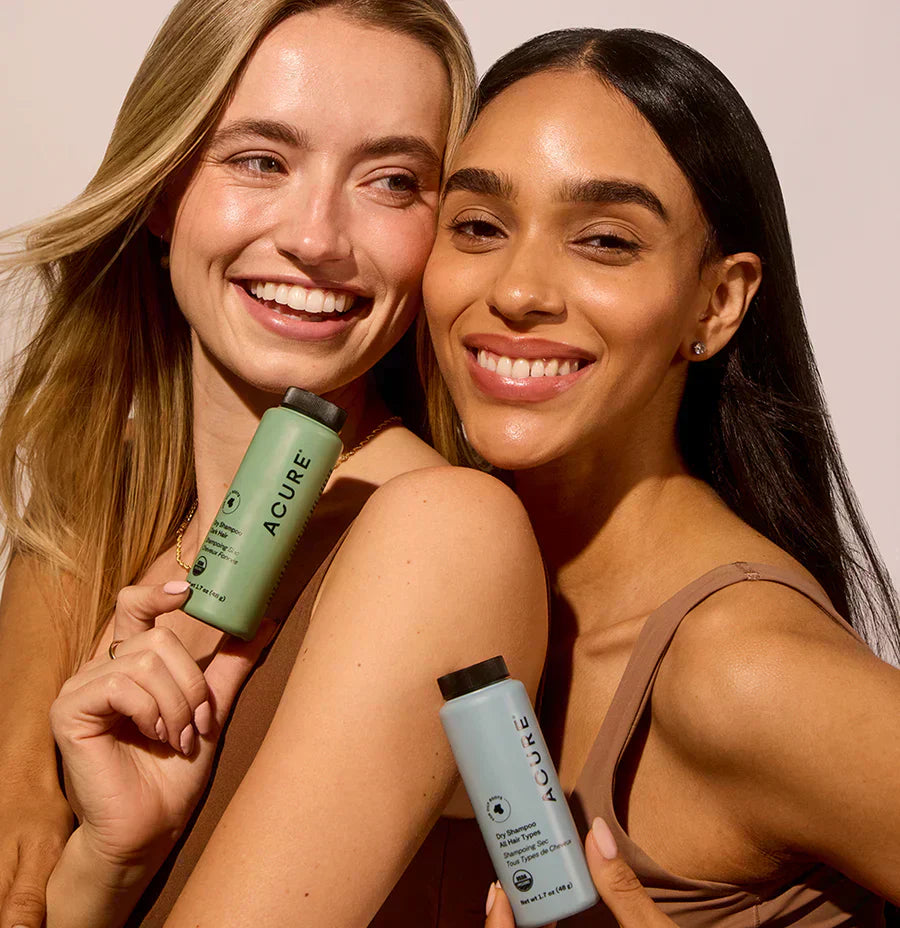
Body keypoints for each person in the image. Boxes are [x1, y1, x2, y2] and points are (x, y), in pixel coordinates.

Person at [0, 2, 548, 926]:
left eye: (393, 181)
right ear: (164, 191)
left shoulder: (445, 535)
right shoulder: (99, 494)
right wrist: (106, 871)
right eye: (261, 161)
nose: (318, 238)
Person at [417, 27, 900, 925]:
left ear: (716, 303)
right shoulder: (411, 591)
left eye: (605, 240)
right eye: (478, 226)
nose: (517, 290)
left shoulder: (746, 674)